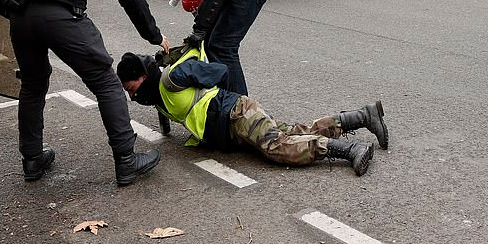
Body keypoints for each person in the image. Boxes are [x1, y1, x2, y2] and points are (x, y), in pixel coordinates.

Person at [0, 0, 169, 186]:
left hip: (20, 16)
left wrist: (7, 9)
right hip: (62, 14)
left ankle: (32, 160)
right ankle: (126, 161)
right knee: (106, 83)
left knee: (33, 86)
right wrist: (153, 35)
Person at [116, 47, 388, 176]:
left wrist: (225, 104)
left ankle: (350, 150)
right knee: (294, 132)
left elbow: (220, 70)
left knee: (279, 147)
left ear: (142, 76)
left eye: (131, 88)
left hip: (236, 114)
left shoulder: (172, 78)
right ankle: (363, 116)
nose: (132, 95)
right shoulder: (158, 95)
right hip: (233, 126)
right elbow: (168, 112)